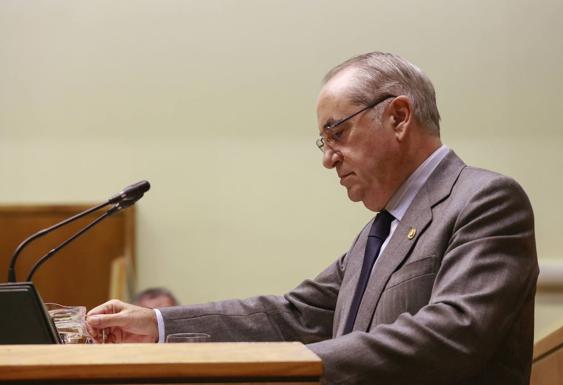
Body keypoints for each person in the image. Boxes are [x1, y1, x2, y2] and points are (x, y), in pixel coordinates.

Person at [87, 52, 538, 385]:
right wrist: (160, 325)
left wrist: (294, 365)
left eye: (337, 133)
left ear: (399, 117)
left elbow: (451, 334)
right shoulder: (375, 236)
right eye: (323, 143)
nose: (329, 159)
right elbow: (290, 315)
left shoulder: (485, 200)